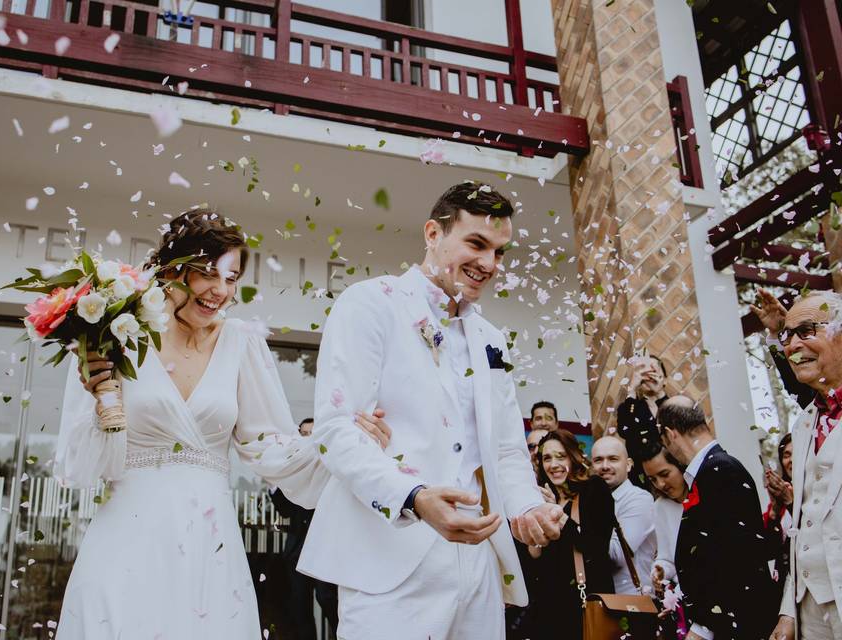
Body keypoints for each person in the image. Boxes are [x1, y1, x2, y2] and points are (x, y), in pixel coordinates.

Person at [54, 211, 387, 639]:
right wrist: (101, 404)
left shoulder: (240, 343)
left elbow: (272, 447)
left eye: (231, 278)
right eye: (208, 273)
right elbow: (82, 465)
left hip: (208, 544)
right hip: (127, 534)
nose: (221, 291)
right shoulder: (117, 336)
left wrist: (347, 439)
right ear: (172, 270)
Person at [298, 182, 565, 640]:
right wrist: (415, 497)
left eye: (499, 252)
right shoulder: (369, 304)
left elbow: (504, 450)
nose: (489, 263)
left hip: (479, 565)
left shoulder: (491, 340)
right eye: (477, 243)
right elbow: (336, 431)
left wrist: (527, 509)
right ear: (433, 234)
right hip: (388, 561)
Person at [658, 396, 778, 640]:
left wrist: (704, 626)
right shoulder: (710, 470)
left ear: (670, 434)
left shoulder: (720, 471)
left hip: (734, 625)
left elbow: (733, 557)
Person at [768, 291, 842, 640]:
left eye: (807, 330)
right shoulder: (802, 425)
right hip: (809, 607)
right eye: (786, 335)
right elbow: (802, 524)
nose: (793, 345)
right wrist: (788, 611)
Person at [519, 429, 616, 640]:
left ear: (573, 457)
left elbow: (596, 547)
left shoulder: (594, 489)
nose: (553, 464)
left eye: (560, 456)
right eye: (547, 458)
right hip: (548, 607)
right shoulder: (540, 497)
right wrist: (536, 515)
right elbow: (534, 556)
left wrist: (558, 513)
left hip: (583, 605)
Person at [270, 418, 340, 640]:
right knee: (299, 605)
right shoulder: (294, 472)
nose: (308, 437)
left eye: (312, 433)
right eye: (304, 433)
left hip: (325, 547)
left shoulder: (331, 468)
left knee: (327, 596)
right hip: (297, 549)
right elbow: (286, 511)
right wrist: (275, 484)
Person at [590, 435, 656, 595]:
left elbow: (616, 555)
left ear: (628, 465)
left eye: (613, 459)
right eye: (598, 460)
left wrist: (573, 529)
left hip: (631, 604)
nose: (605, 466)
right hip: (598, 603)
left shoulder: (639, 500)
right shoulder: (589, 501)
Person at [641, 446, 690, 640]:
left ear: (680, 466)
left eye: (664, 474)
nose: (661, 484)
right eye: (653, 479)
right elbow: (667, 558)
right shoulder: (660, 506)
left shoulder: (706, 497)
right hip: (683, 605)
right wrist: (660, 569)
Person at [617, 354, 669, 488]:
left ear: (665, 380)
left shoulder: (674, 405)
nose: (647, 374)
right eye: (642, 370)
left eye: (653, 370)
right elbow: (624, 430)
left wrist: (660, 395)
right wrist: (632, 389)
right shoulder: (630, 407)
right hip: (643, 480)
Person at [762, 433, 792, 594]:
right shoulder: (779, 501)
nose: (791, 460)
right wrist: (774, 509)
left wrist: (791, 502)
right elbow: (768, 551)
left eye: (796, 453)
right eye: (786, 455)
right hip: (785, 587)